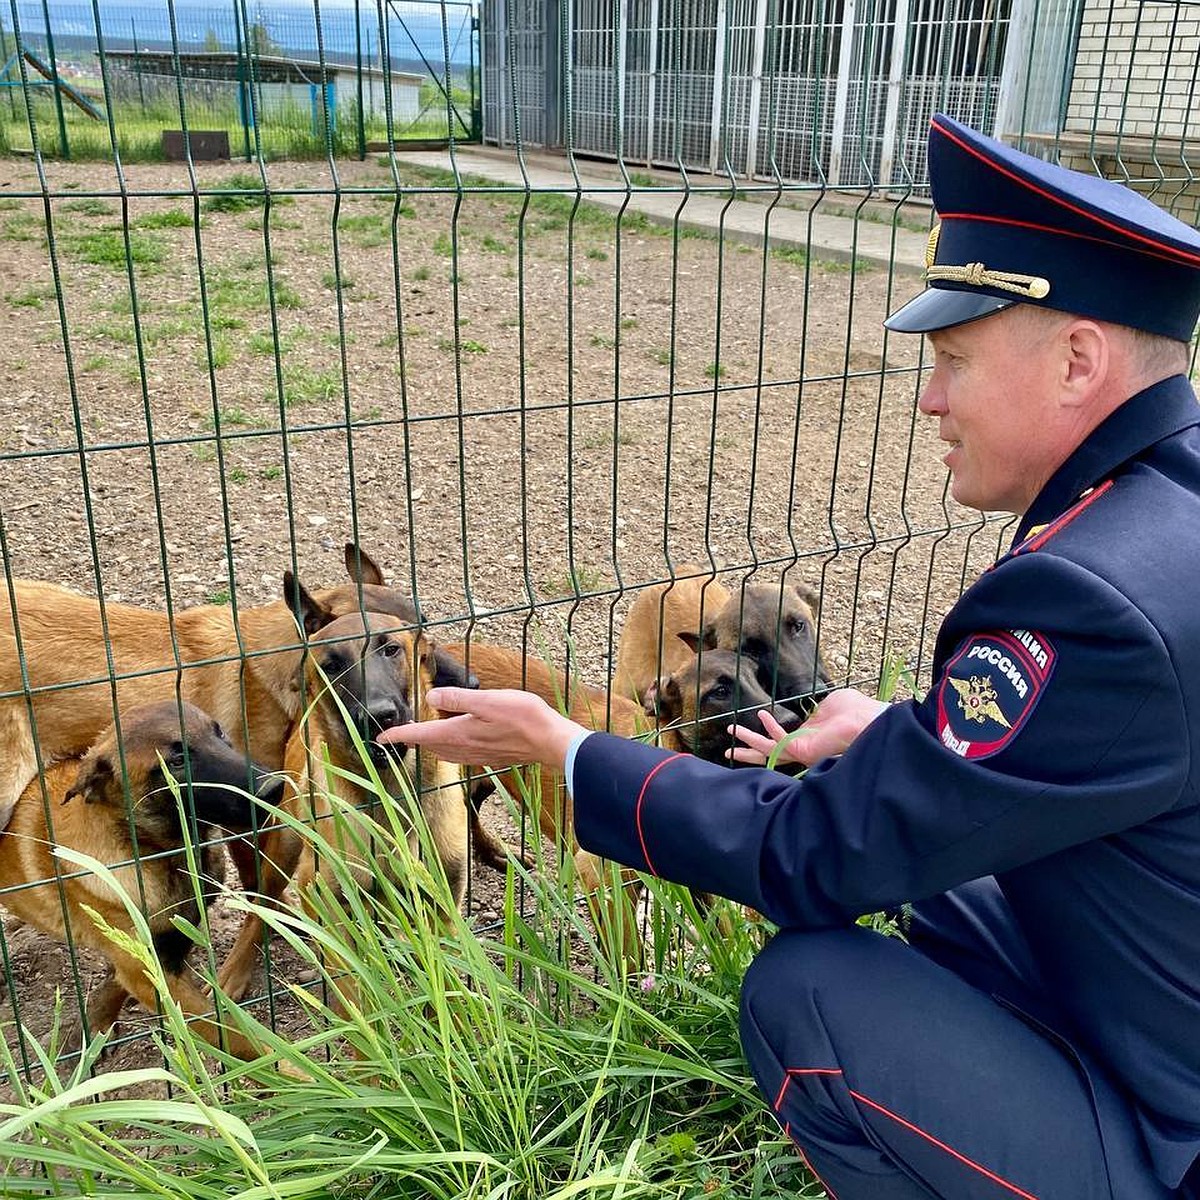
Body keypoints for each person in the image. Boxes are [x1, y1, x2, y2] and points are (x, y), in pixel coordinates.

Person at [380, 113, 1200, 1200]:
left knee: (807, 991)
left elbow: (816, 857)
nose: (930, 397)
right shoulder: (1163, 506)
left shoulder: (1084, 597)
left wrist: (570, 751)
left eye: (954, 357)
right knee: (940, 892)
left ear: (1078, 359)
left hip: (1172, 1128)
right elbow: (1101, 748)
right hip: (1166, 996)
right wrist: (896, 737)